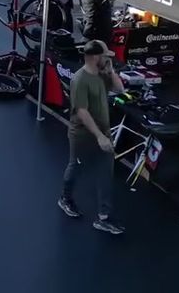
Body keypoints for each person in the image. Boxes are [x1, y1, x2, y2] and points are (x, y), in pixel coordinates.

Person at [58, 39, 127, 235]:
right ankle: (65, 198)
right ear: (95, 56)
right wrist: (99, 136)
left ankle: (104, 218)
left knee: (106, 172)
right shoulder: (80, 80)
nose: (108, 58)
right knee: (76, 166)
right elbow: (82, 111)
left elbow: (120, 89)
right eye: (105, 55)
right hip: (82, 135)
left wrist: (111, 71)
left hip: (103, 132)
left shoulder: (102, 74)